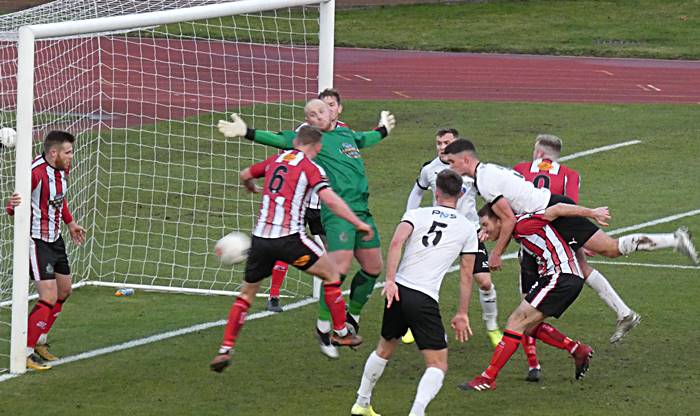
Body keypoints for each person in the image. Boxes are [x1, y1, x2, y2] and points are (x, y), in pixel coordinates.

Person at [218, 99, 396, 358]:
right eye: (310, 115)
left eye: (322, 110)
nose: (316, 117)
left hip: (362, 210)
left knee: (373, 268)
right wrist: (248, 132)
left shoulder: (346, 134)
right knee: (337, 270)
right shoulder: (309, 143)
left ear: (335, 110)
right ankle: (327, 329)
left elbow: (362, 140)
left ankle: (351, 317)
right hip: (338, 216)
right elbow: (280, 140)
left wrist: (382, 131)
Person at [209, 126, 369, 373]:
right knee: (332, 274)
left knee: (246, 295)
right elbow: (330, 200)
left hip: (260, 240)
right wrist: (358, 223)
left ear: (295, 141)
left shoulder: (277, 159)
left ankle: (225, 349)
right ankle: (340, 332)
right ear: (317, 147)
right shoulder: (311, 167)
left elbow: (245, 173)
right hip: (289, 239)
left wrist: (249, 185)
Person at [442, 138, 698, 268]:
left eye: (452, 162)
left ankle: (675, 239)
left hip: (552, 213)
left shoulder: (485, 180)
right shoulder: (486, 174)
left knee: (610, 249)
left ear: (465, 159)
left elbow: (508, 219)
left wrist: (496, 254)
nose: (451, 168)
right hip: (544, 216)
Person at [513, 135, 639, 382]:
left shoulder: (519, 169)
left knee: (525, 306)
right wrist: (579, 238)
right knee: (581, 270)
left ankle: (533, 364)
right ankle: (619, 313)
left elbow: (509, 203)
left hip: (529, 240)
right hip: (559, 240)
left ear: (538, 153)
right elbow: (570, 206)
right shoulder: (569, 174)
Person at [350, 170, 477, 416]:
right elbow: (465, 274)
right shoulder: (467, 228)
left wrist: (389, 280)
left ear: (436, 192)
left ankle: (361, 403)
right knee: (438, 364)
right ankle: (417, 413)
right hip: (423, 297)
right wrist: (462, 313)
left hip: (397, 291)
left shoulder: (415, 214)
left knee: (384, 349)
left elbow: (397, 242)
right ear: (461, 194)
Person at [460, 202, 607, 391]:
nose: (484, 230)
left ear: (499, 220)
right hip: (560, 278)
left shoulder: (522, 224)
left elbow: (558, 209)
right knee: (529, 327)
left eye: (486, 225)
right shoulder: (520, 231)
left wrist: (592, 212)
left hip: (561, 277)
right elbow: (551, 232)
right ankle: (577, 350)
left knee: (516, 321)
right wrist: (576, 244)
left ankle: (487, 378)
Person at [405, 127, 501, 348]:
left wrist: (488, 225)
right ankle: (412, 324)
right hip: (441, 233)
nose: (441, 147)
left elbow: (491, 199)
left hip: (470, 234)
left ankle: (492, 326)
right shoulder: (430, 170)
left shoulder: (470, 171)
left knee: (484, 282)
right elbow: (417, 191)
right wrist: (410, 219)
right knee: (423, 281)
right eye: (438, 143)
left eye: (446, 143)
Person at [5, 130, 87, 371]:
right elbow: (12, 208)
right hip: (36, 242)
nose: (72, 156)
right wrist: (13, 206)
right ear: (54, 153)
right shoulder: (34, 173)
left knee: (64, 291)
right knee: (48, 296)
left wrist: (70, 223)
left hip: (56, 239)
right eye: (68, 152)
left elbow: (58, 199)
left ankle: (39, 340)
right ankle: (25, 353)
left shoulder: (62, 169)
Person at [266, 88, 348, 313]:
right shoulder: (304, 132)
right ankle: (273, 296)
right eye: (322, 106)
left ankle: (334, 300)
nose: (326, 110)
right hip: (302, 203)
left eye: (331, 105)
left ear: (339, 109)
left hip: (326, 206)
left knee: (335, 255)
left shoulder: (345, 134)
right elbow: (288, 150)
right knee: (287, 245)